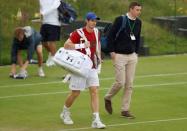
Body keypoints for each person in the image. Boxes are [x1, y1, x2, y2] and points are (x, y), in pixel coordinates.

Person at [59, 12, 106, 129]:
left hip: (92, 66)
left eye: (95, 21)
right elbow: (66, 45)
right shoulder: (78, 33)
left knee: (94, 91)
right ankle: (65, 112)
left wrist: (99, 57)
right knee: (75, 93)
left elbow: (96, 46)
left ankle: (96, 119)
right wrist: (81, 46)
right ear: (87, 21)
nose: (94, 23)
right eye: (92, 20)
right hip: (79, 67)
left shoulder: (97, 32)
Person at [104, 1, 142, 119]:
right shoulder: (120, 20)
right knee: (120, 82)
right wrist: (111, 52)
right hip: (119, 55)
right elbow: (110, 36)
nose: (139, 12)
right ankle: (108, 97)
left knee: (129, 84)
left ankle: (125, 110)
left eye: (140, 10)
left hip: (132, 56)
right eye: (137, 10)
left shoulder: (139, 22)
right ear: (131, 9)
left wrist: (136, 52)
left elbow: (138, 38)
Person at [39, 0, 61, 66]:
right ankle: (52, 54)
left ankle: (54, 59)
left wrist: (43, 13)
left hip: (54, 22)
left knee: (51, 42)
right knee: (42, 42)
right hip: (44, 22)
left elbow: (56, 5)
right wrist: (40, 15)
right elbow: (41, 7)